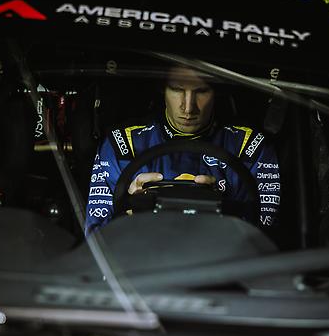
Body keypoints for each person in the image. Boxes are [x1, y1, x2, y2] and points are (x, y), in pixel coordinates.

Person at [85, 65, 280, 235]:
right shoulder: (122, 144)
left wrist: (222, 208)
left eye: (201, 91)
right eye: (177, 89)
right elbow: (96, 238)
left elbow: (265, 238)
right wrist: (130, 211)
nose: (188, 108)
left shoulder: (250, 146)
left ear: (217, 92)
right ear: (163, 89)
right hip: (143, 263)